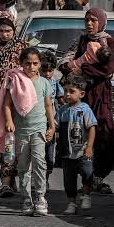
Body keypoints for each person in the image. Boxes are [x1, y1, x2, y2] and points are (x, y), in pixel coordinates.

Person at [59, 8, 114, 194]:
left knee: (103, 135)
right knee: (79, 135)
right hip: (82, 96)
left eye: (93, 20)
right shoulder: (82, 40)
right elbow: (65, 63)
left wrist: (83, 68)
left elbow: (107, 70)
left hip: (100, 96)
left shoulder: (109, 42)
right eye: (87, 20)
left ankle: (97, 177)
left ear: (101, 22)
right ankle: (86, 178)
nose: (89, 24)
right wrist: (73, 68)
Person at [3, 48, 56, 216]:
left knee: (40, 163)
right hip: (21, 131)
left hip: (39, 129)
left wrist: (52, 126)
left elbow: (48, 106)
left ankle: (40, 198)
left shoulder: (44, 83)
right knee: (23, 166)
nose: (31, 67)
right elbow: (7, 104)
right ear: (21, 63)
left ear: (40, 64)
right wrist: (9, 121)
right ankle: (27, 198)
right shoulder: (16, 81)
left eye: (35, 63)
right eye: (27, 63)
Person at [0, 15, 29, 197]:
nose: (4, 34)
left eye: (8, 31)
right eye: (1, 30)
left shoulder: (22, 47)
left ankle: (12, 181)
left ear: (14, 31)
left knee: (17, 142)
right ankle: (7, 182)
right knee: (3, 140)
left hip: (17, 101)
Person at [58, 76, 97, 215]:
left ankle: (86, 196)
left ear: (81, 94)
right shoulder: (62, 110)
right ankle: (71, 203)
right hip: (67, 153)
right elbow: (56, 126)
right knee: (69, 180)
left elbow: (92, 128)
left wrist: (89, 147)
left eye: (72, 91)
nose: (67, 94)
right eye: (65, 91)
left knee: (87, 173)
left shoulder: (85, 110)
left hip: (83, 151)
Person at [40, 51, 65, 190]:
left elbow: (61, 100)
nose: (47, 74)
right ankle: (36, 179)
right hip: (37, 121)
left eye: (50, 70)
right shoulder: (34, 82)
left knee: (49, 154)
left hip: (51, 123)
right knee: (37, 152)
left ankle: (46, 179)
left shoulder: (54, 83)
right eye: (44, 70)